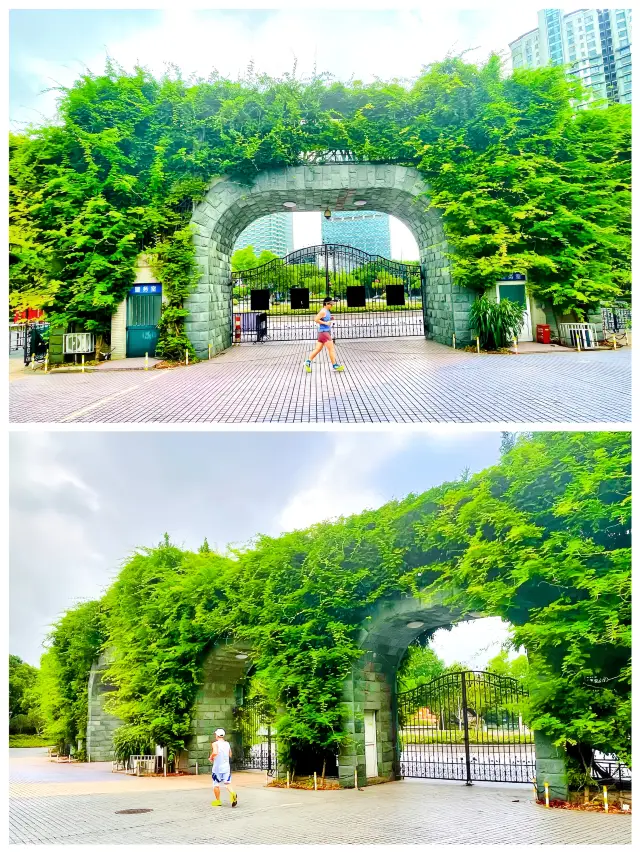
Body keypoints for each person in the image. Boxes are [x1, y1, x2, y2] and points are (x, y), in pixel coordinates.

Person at [304, 297, 345, 372]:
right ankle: (335, 365)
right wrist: (326, 323)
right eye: (330, 304)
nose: (332, 306)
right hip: (324, 333)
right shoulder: (323, 311)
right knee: (331, 349)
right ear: (326, 304)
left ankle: (308, 362)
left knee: (317, 349)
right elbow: (316, 319)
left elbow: (324, 318)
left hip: (321, 333)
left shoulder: (327, 311)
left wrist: (330, 318)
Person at [209, 728, 237, 808]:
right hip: (226, 767)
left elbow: (215, 752)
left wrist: (211, 757)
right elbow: (230, 754)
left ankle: (218, 801)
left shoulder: (215, 744)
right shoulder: (227, 744)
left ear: (217, 735)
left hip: (217, 767)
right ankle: (233, 793)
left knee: (216, 784)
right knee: (227, 783)